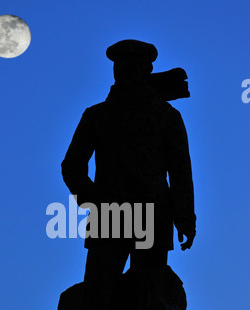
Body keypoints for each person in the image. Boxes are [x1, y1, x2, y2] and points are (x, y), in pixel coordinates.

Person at [61, 39, 196, 295]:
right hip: (109, 216)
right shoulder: (97, 116)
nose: (124, 71)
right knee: (98, 298)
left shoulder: (167, 116)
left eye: (132, 65)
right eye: (120, 66)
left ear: (145, 70)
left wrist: (185, 219)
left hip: (153, 215)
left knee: (148, 298)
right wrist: (95, 201)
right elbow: (72, 166)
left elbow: (180, 173)